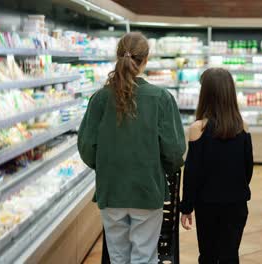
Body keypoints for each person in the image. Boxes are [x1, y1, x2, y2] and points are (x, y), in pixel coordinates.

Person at [78, 32, 186, 264]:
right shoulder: (161, 98)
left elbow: (86, 147)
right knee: (144, 257)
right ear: (146, 60)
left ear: (117, 57)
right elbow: (175, 151)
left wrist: (106, 164)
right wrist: (162, 168)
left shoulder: (99, 99)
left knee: (117, 257)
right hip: (147, 189)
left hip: (111, 190)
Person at [180, 68, 254, 264]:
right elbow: (248, 169)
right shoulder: (243, 126)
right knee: (230, 255)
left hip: (207, 205)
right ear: (230, 93)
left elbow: (192, 173)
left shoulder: (198, 129)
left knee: (208, 255)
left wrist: (186, 206)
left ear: (206, 94)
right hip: (236, 204)